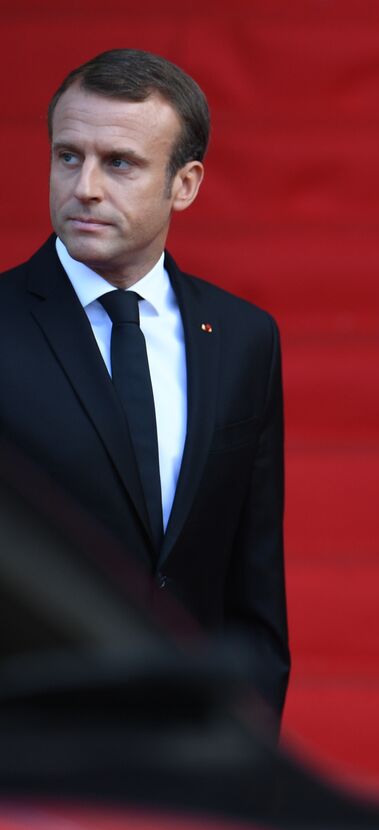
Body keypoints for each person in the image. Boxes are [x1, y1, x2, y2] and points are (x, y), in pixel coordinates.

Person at [0, 49, 290, 721]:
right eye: (68, 156)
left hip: (189, 758)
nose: (86, 187)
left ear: (184, 184)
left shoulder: (244, 339)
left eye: (119, 163)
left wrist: (247, 757)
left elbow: (253, 589)